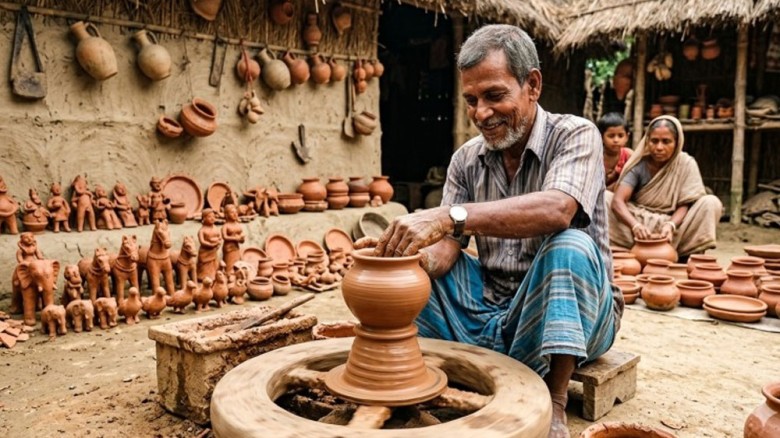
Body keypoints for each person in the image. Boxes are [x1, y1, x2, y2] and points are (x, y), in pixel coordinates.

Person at [364, 25, 622, 438]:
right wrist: (406, 255)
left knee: (570, 246)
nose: (481, 113)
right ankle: (432, 366)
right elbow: (449, 248)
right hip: (493, 307)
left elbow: (559, 209)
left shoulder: (575, 135)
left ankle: (553, 401)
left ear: (532, 84)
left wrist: (450, 216)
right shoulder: (466, 159)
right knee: (408, 277)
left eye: (495, 96)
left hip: (577, 311)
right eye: (471, 100)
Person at [607, 115, 722, 258]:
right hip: (639, 221)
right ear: (647, 141)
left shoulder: (686, 164)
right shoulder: (639, 164)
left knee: (711, 202)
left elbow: (685, 204)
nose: (659, 147)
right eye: (654, 141)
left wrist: (670, 225)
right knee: (604, 197)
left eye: (666, 141)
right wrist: (635, 225)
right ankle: (634, 248)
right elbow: (618, 201)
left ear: (677, 143)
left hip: (675, 226)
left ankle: (687, 253)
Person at [597, 112, 632, 191]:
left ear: (627, 137)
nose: (616, 140)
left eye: (620, 136)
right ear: (601, 137)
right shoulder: (596, 156)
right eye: (611, 136)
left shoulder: (628, 155)